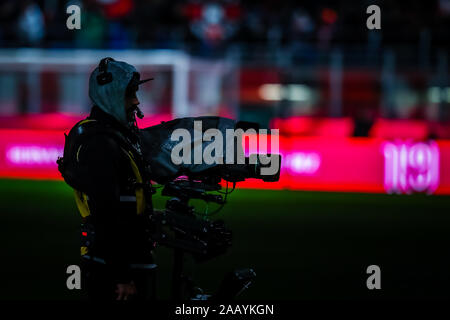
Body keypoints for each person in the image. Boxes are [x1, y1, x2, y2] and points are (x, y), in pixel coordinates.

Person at [58, 57, 156, 300]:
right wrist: (121, 275)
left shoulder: (113, 134)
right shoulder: (100, 143)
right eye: (129, 94)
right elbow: (106, 214)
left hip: (119, 260)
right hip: (114, 269)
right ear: (110, 96)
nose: (136, 101)